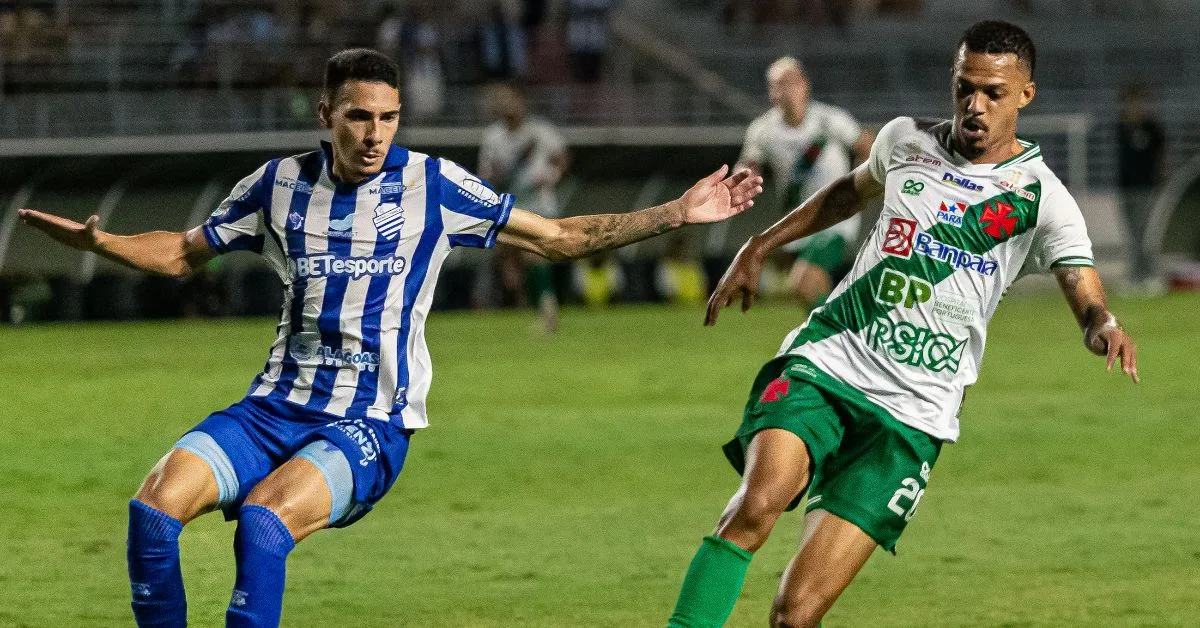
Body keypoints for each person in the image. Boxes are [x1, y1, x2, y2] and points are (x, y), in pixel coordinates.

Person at [18, 48, 762, 628]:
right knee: (152, 511)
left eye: (389, 118)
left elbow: (560, 236)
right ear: (326, 115)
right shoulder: (275, 185)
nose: (375, 134)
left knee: (264, 528)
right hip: (271, 407)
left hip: (369, 421)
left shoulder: (433, 186)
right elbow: (184, 251)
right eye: (358, 118)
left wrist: (672, 213)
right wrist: (101, 243)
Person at [667, 21, 1138, 627]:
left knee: (796, 613)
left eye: (993, 93)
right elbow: (848, 194)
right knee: (756, 506)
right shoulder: (905, 140)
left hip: (915, 412)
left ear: (1026, 95)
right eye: (964, 87)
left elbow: (1085, 292)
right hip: (831, 360)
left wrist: (1103, 327)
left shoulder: (1040, 198)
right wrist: (761, 242)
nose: (975, 104)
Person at [737, 56, 874, 309]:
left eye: (791, 82)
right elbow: (748, 166)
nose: (785, 90)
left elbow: (867, 146)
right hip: (797, 219)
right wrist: (741, 180)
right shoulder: (762, 130)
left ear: (805, 85)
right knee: (811, 289)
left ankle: (834, 336)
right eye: (778, 85)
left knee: (802, 280)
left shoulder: (830, 120)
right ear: (771, 93)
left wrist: (857, 189)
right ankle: (841, 333)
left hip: (834, 215)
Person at [478, 83, 570, 331]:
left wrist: (550, 177)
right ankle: (530, 306)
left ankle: (547, 310)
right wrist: (493, 176)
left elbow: (562, 158)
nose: (508, 106)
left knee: (534, 255)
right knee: (509, 260)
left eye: (512, 101)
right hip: (510, 205)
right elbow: (485, 173)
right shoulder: (493, 137)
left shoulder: (540, 131)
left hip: (540, 203)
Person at [1116, 82, 1166, 289]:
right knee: (1132, 234)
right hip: (1126, 187)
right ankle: (1135, 277)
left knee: (1146, 234)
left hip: (1146, 188)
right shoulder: (1122, 127)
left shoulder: (1153, 128)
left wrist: (1158, 181)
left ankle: (1151, 275)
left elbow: (1161, 157)